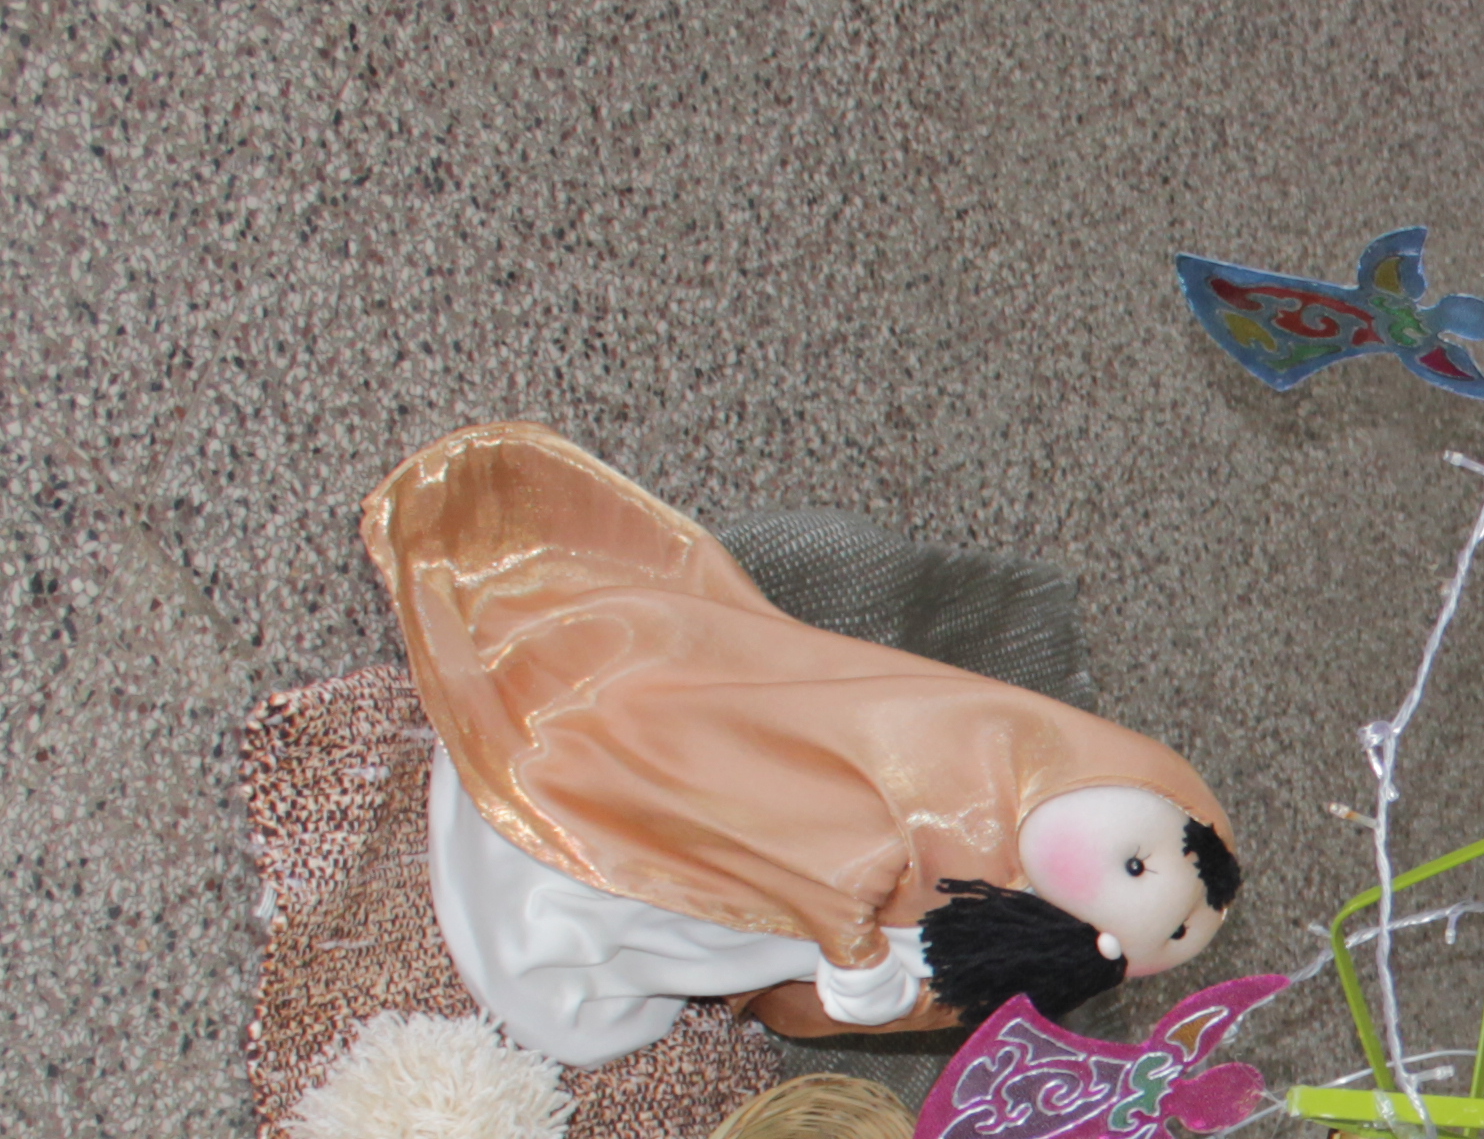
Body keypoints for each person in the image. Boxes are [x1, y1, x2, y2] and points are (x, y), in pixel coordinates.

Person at [365, 421, 1242, 1065]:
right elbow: (836, 803)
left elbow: (895, 986)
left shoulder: (1026, 936)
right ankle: (548, 879)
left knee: (686, 941)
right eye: (1134, 865)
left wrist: (868, 992)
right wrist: (854, 940)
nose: (1114, 917)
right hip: (719, 816)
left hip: (774, 930)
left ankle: (601, 946)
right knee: (654, 870)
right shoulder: (969, 756)